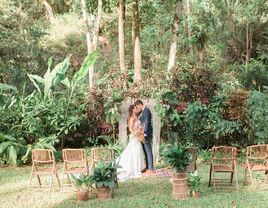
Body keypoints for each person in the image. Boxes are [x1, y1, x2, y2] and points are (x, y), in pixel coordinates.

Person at [117, 105, 146, 181]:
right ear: (132, 110)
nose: (137, 109)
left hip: (138, 136)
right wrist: (135, 133)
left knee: (138, 151)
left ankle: (138, 168)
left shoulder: (137, 117)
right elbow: (130, 128)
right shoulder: (132, 118)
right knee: (134, 151)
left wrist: (141, 130)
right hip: (134, 137)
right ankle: (134, 170)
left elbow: (139, 126)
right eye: (136, 108)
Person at [134, 100, 155, 173]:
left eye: (137, 107)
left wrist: (144, 132)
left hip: (146, 133)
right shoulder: (143, 111)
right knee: (145, 150)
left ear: (140, 104)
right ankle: (148, 166)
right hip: (142, 133)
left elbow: (147, 122)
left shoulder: (146, 110)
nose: (137, 108)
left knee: (148, 151)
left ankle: (151, 168)